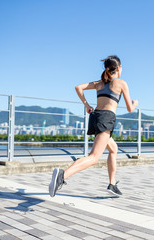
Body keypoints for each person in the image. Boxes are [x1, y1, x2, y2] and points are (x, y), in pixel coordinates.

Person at [49, 55, 138, 197]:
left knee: (113, 149)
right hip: (106, 118)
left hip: (96, 117)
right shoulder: (121, 83)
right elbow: (129, 109)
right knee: (94, 157)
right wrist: (135, 103)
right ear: (119, 68)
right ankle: (62, 175)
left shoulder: (99, 83)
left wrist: (87, 105)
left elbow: (79, 87)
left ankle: (112, 184)